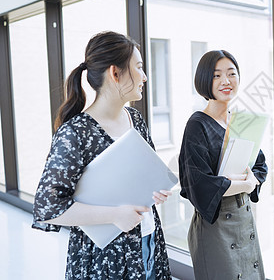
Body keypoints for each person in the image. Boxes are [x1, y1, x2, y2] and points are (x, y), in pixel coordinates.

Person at [32, 31, 172, 280]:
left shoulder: (136, 119)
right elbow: (47, 207)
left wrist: (155, 191)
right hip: (103, 259)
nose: (145, 77)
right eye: (138, 68)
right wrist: (115, 215)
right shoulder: (75, 132)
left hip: (147, 242)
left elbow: (141, 176)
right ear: (115, 73)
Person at [178, 50, 268, 279]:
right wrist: (246, 185)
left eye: (231, 74)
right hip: (215, 228)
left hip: (244, 220)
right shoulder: (197, 124)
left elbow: (260, 166)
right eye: (217, 75)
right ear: (204, 80)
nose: (226, 81)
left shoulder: (240, 120)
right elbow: (199, 184)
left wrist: (247, 182)